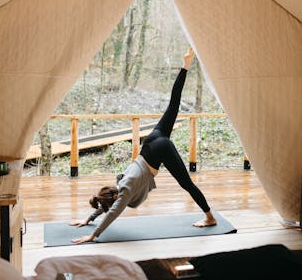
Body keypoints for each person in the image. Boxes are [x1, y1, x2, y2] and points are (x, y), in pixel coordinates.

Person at [69, 47, 217, 244]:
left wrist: (92, 235)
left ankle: (210, 217)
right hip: (152, 141)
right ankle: (186, 65)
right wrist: (88, 219)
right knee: (173, 104)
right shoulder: (118, 185)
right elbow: (105, 205)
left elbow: (112, 213)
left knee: (186, 184)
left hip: (159, 149)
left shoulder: (125, 191)